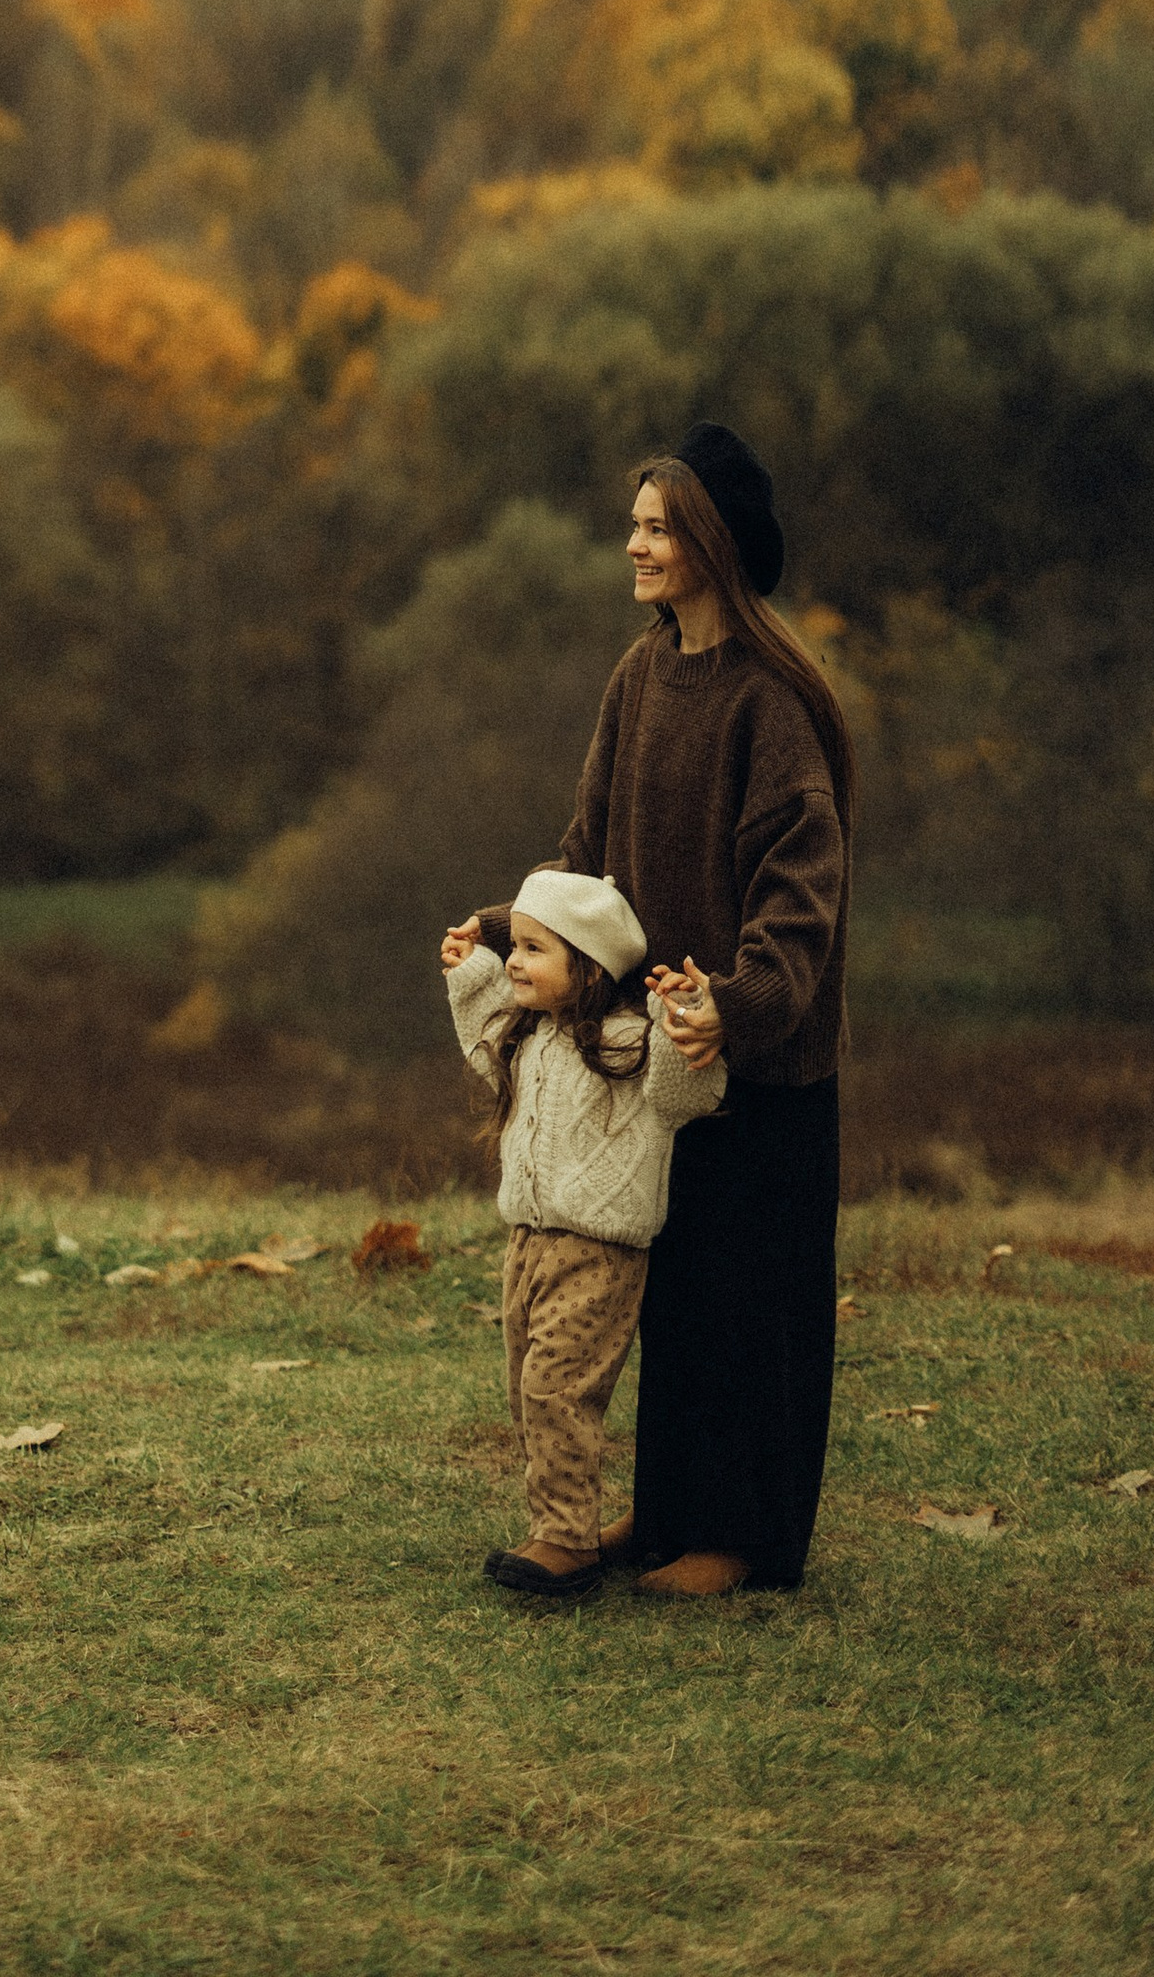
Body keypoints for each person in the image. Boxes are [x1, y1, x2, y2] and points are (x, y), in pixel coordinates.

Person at [474, 422, 854, 1600]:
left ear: (710, 543)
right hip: (649, 1052)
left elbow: (799, 906)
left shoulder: (773, 706)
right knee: (672, 1291)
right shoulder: (640, 675)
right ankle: (678, 1510)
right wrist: (523, 940)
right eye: (633, 523)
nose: (631, 544)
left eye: (654, 526)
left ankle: (744, 1541)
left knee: (751, 1305)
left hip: (755, 1063)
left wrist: (731, 1010)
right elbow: (587, 857)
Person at [441, 869, 726, 1603]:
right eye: (516, 946)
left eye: (535, 948)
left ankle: (568, 1544)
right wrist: (471, 970)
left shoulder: (630, 1043)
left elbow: (687, 1092)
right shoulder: (529, 1037)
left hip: (599, 1252)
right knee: (525, 1390)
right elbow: (481, 1043)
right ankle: (552, 1526)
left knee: (558, 1389)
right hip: (527, 1246)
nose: (515, 960)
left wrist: (684, 1014)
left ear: (589, 966)